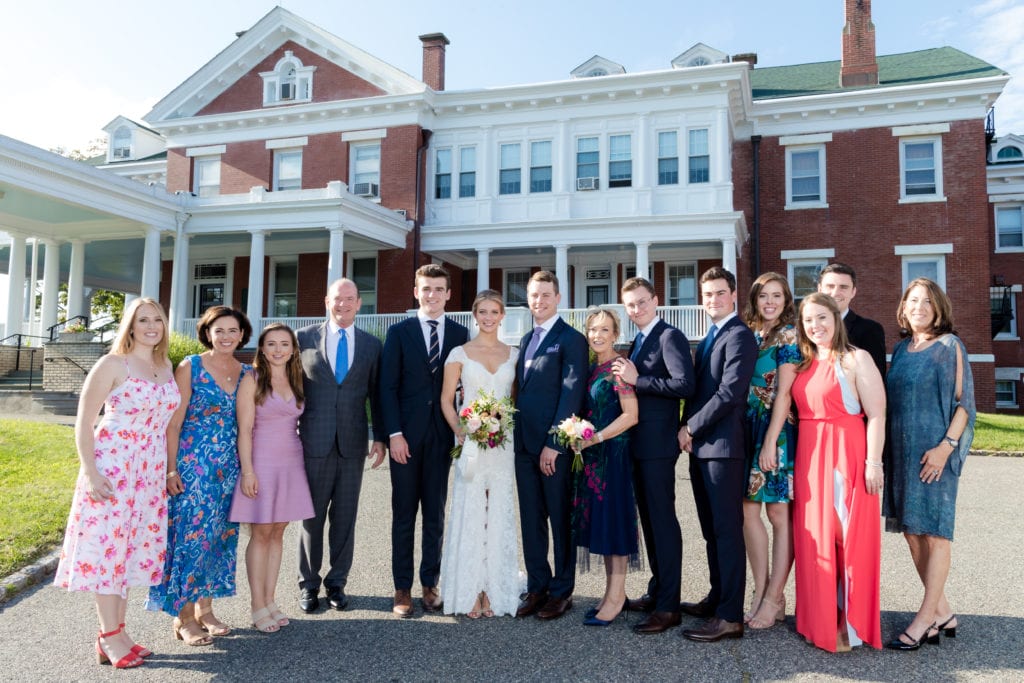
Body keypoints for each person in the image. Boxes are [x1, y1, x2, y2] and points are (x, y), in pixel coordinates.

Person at [54, 298, 181, 669]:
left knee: (128, 554)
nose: (151, 326)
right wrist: (91, 472)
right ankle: (108, 637)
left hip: (148, 475)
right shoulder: (112, 364)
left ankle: (119, 633)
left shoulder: (164, 364)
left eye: (157, 319)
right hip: (114, 470)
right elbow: (83, 423)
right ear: (130, 325)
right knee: (108, 553)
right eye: (143, 320)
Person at [147, 306, 252, 645]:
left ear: (241, 335)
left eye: (232, 330)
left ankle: (205, 611)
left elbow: (245, 428)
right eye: (218, 330)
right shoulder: (190, 366)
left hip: (226, 470)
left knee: (219, 539)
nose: (226, 336)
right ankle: (183, 618)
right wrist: (171, 469)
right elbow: (173, 423)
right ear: (207, 333)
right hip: (192, 468)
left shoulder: (246, 372)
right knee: (190, 539)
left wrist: (246, 470)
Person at [883, 278, 975, 650]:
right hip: (902, 455)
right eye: (912, 300)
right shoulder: (901, 350)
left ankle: (925, 619)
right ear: (903, 308)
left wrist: (945, 448)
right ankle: (944, 611)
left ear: (938, 309)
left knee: (935, 534)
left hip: (935, 454)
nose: (918, 306)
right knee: (912, 531)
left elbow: (964, 403)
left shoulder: (951, 346)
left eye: (926, 301)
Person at [790, 292, 885, 652]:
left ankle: (852, 623)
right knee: (816, 537)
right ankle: (821, 619)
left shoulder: (856, 358)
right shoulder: (805, 362)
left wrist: (873, 462)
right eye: (808, 320)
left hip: (847, 453)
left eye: (822, 318)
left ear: (836, 319)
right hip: (809, 457)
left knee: (850, 536)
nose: (815, 326)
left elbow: (876, 413)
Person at [380, 265, 469, 617]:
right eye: (426, 289)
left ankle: (429, 583)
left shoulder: (461, 333)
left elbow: (467, 385)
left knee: (435, 513)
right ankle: (402, 588)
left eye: (439, 289)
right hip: (406, 438)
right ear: (416, 292)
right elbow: (386, 387)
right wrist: (394, 434)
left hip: (443, 435)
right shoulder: (400, 332)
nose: (432, 295)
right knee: (404, 514)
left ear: (448, 294)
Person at [296, 278, 386, 614]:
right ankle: (308, 585)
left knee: (345, 517)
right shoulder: (302, 339)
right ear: (326, 301)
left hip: (352, 443)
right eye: (337, 299)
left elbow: (377, 395)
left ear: (359, 303)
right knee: (311, 517)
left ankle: (337, 583)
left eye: (350, 299)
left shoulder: (371, 345)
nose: (343, 305)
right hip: (313, 442)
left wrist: (380, 436)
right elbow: (290, 388)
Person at [678, 267, 757, 643]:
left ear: (733, 294)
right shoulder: (710, 336)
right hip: (702, 449)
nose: (713, 300)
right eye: (707, 294)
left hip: (724, 450)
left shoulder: (739, 336)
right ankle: (717, 597)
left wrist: (689, 427)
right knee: (711, 532)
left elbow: (729, 394)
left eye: (719, 293)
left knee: (727, 533)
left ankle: (730, 616)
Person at [613, 277, 695, 634]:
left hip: (659, 446)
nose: (636, 309)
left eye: (641, 302)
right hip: (639, 444)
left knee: (662, 523)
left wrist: (637, 379)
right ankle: (659, 590)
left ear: (656, 300)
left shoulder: (669, 336)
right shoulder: (639, 339)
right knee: (649, 521)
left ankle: (668, 607)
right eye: (630, 305)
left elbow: (684, 384)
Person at [438, 290, 523, 618]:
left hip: (503, 444)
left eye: (494, 312)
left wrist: (501, 423)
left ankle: (494, 590)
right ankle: (469, 590)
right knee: (471, 511)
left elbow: (513, 401)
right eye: (482, 312)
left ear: (502, 316)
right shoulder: (459, 353)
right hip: (471, 443)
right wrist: (462, 430)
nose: (488, 317)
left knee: (497, 510)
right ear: (475, 315)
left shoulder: (513, 354)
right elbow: (447, 399)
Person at [229, 323, 314, 633]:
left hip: (291, 460)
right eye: (272, 344)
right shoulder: (251, 380)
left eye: (284, 344)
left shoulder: (297, 379)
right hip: (261, 461)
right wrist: (248, 471)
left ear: (293, 349)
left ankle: (270, 599)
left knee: (278, 531)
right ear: (262, 349)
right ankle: (256, 605)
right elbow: (244, 430)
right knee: (261, 532)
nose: (278, 350)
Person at [514, 270, 589, 621]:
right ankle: (537, 586)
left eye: (545, 294)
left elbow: (570, 393)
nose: (539, 301)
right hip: (523, 447)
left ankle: (562, 591)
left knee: (560, 519)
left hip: (552, 449)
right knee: (531, 520)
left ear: (559, 298)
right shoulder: (527, 337)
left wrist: (554, 443)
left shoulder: (571, 339)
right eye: (533, 294)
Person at [574, 307, 640, 627]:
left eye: (605, 330)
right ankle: (610, 592)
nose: (597, 335)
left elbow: (631, 415)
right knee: (602, 524)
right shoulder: (591, 368)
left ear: (616, 334)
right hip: (593, 459)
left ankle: (617, 597)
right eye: (593, 330)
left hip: (613, 455)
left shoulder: (619, 368)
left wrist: (596, 437)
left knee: (615, 525)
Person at [741, 273, 799, 630]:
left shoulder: (789, 335)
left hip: (775, 432)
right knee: (748, 512)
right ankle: (760, 591)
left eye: (777, 296)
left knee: (778, 514)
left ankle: (775, 595)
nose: (770, 302)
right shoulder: (750, 333)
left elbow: (785, 393)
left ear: (786, 299)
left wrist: (769, 442)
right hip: (747, 428)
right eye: (764, 295)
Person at [818, 263, 887, 379]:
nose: (835, 293)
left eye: (843, 287)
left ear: (853, 292)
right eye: (830, 286)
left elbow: (875, 379)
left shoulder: (870, 330)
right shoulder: (808, 330)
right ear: (819, 289)